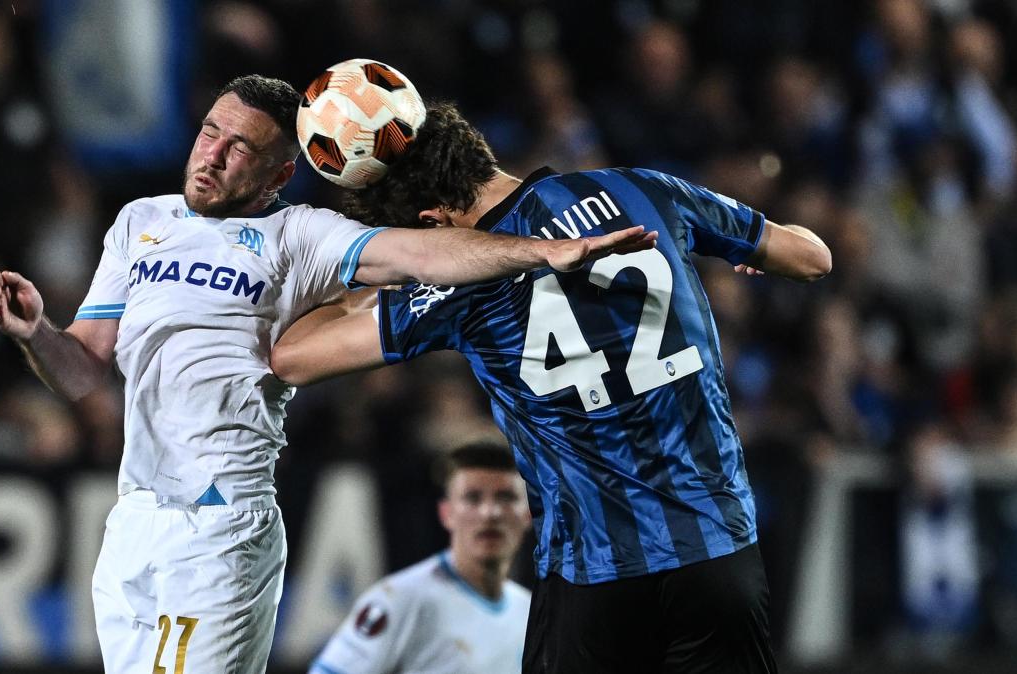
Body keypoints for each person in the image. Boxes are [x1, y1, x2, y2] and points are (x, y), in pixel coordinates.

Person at [0, 76, 651, 674]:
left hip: (221, 525)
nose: (211, 155)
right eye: (211, 131)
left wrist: (543, 251)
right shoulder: (139, 224)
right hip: (134, 523)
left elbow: (419, 253)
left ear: (278, 176)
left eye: (240, 147)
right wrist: (36, 334)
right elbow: (84, 372)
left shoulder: (300, 236)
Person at [271, 102, 833, 673]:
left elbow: (293, 356)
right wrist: (756, 254)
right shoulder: (642, 190)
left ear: (433, 221)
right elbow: (811, 257)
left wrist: (374, 273)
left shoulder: (453, 286)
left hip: (595, 577)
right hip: (719, 557)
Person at [310, 441, 532, 674]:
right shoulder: (401, 599)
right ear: (446, 514)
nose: (490, 513)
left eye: (506, 498)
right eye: (473, 498)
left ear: (528, 515)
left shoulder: (530, 613)